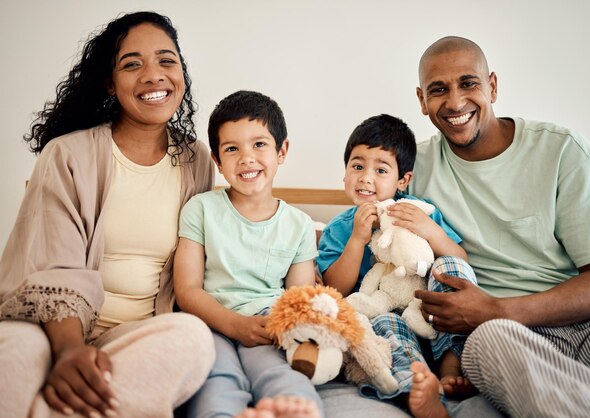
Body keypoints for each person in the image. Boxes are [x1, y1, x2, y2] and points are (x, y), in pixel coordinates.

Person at [0, 11, 216, 418]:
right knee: (13, 354)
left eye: (166, 61)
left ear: (181, 74)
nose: (154, 75)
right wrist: (69, 353)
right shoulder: (67, 154)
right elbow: (52, 265)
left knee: (193, 339)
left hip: (138, 333)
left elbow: (210, 250)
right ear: (110, 82)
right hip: (52, 330)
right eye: (132, 64)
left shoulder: (196, 160)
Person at [410, 35, 590, 417]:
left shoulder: (562, 150)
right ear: (422, 100)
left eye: (469, 83)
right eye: (438, 89)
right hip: (506, 341)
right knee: (485, 343)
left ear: (492, 86)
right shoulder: (414, 168)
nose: (456, 102)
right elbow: (360, 232)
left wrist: (495, 309)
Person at [173, 90, 323, 418]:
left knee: (281, 373)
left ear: (281, 150)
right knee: (215, 378)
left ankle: (297, 409)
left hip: (268, 325)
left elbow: (297, 298)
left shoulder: (299, 225)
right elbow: (187, 290)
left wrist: (274, 328)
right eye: (232, 149)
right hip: (212, 321)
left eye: (259, 144)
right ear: (217, 160)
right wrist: (235, 325)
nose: (246, 158)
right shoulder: (200, 210)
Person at [316, 114, 476, 416]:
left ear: (402, 180)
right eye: (357, 166)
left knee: (452, 268)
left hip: (429, 309)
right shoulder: (340, 227)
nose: (365, 177)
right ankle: (416, 386)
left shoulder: (420, 212)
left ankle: (451, 366)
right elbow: (335, 288)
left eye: (381, 169)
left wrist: (431, 231)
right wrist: (356, 240)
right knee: (386, 325)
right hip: (384, 314)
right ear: (345, 175)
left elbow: (460, 260)